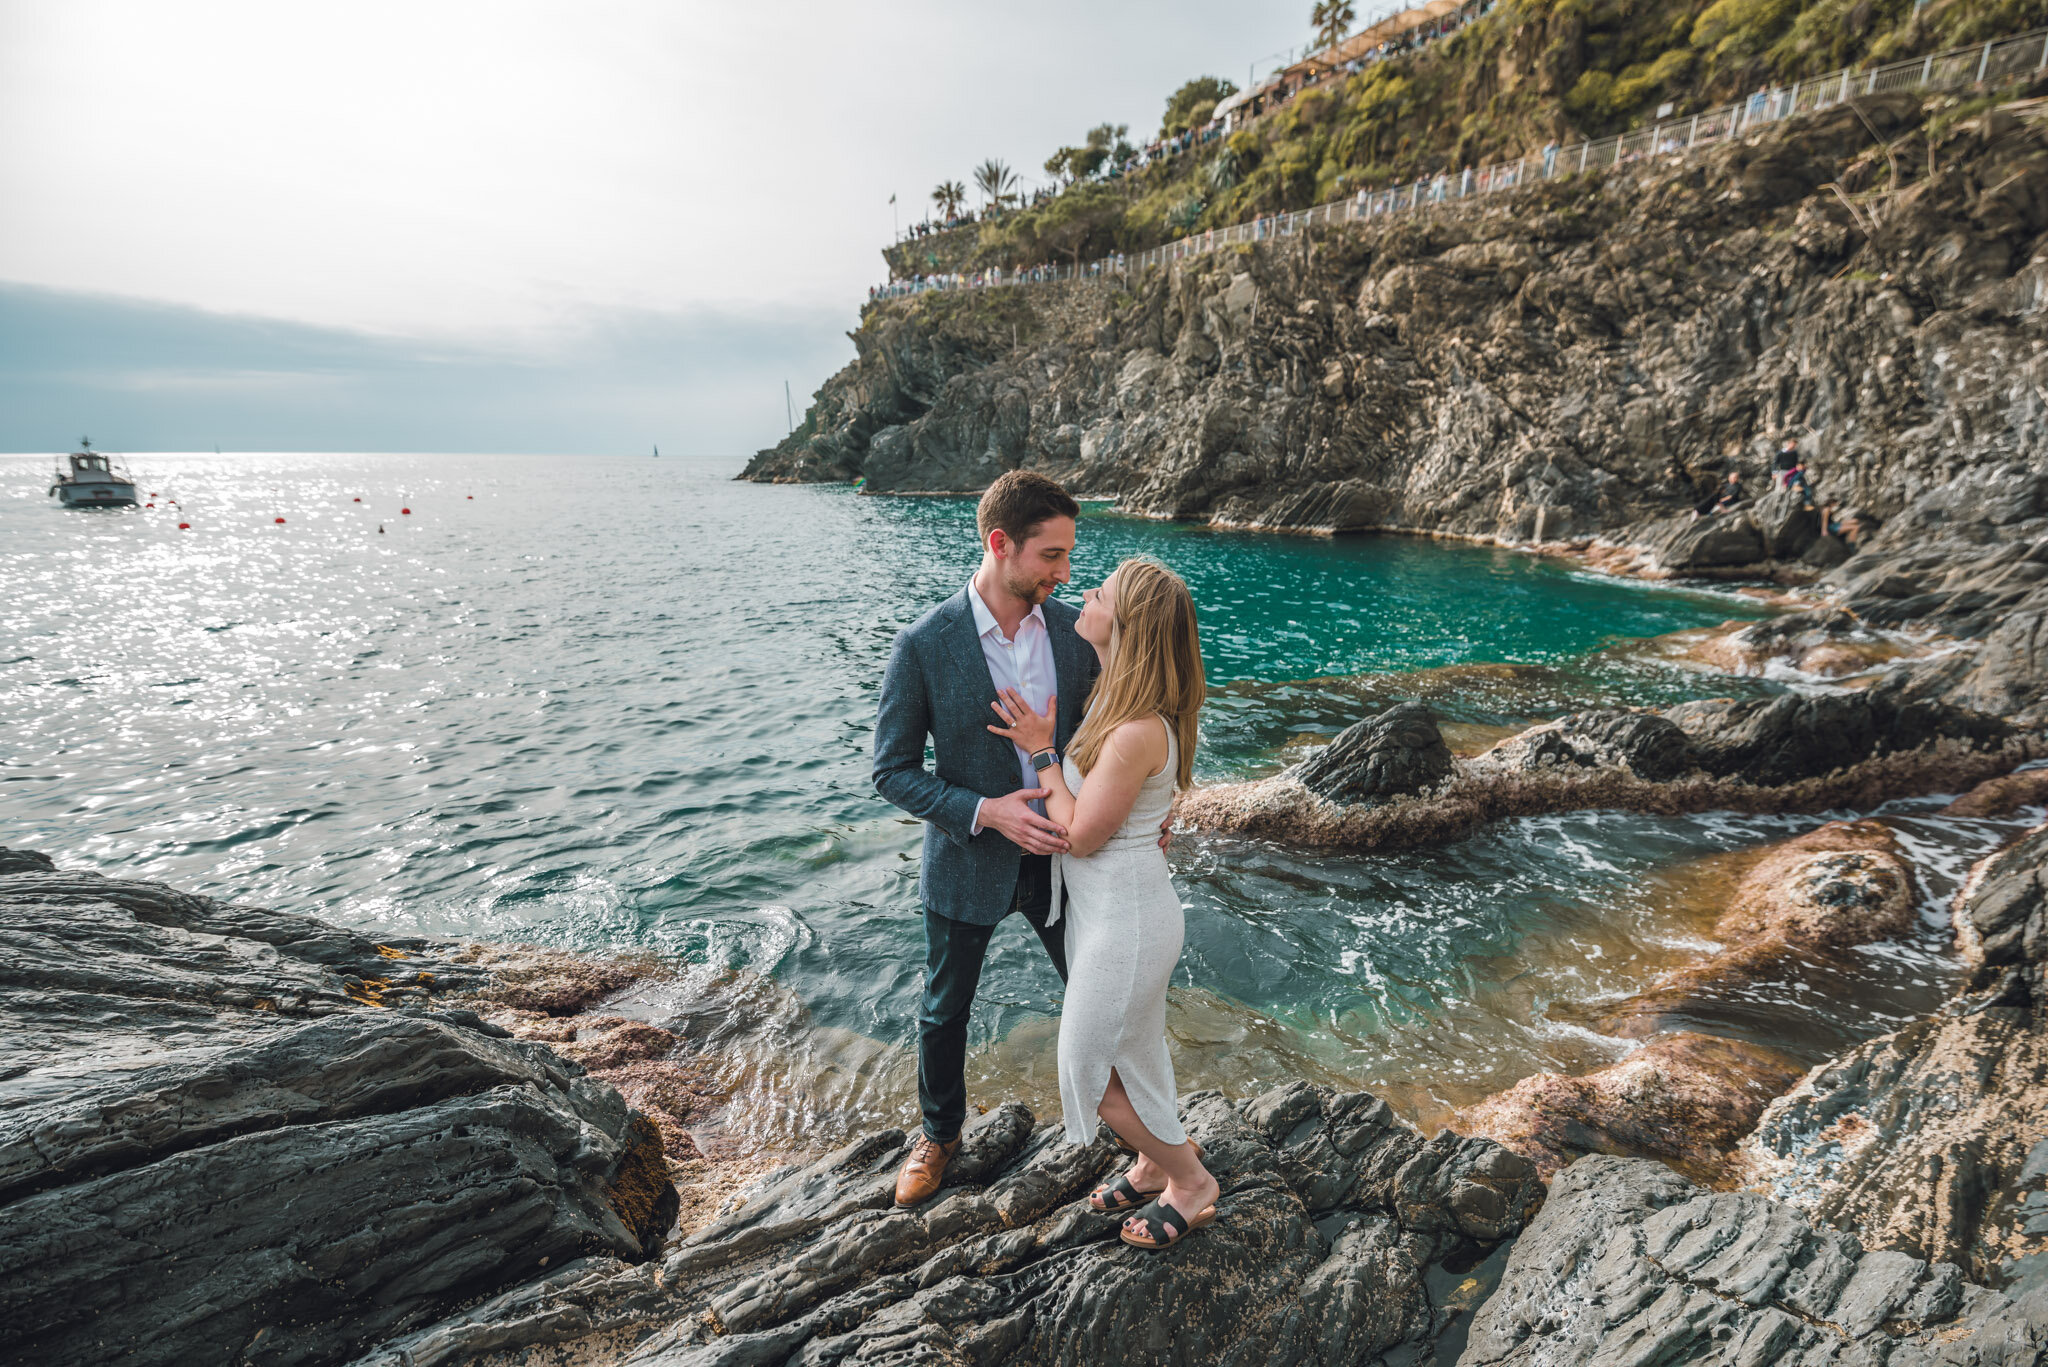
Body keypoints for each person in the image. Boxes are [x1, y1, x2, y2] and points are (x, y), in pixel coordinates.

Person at [872, 471, 1168, 1211]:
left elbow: (1134, 722)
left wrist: (1155, 806)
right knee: (945, 1010)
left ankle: (1152, 1145)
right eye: (1053, 555)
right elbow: (892, 771)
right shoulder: (923, 644)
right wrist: (985, 811)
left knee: (1098, 1000)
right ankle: (939, 1135)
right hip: (966, 861)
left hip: (1067, 865)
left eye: (1070, 557)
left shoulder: (1080, 632)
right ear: (1001, 545)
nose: (1066, 573)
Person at [986, 556, 1219, 1251]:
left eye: (1100, 591)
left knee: (1086, 1070)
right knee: (1135, 1056)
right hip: (1117, 916)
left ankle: (1190, 1180)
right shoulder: (1120, 710)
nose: (1085, 591)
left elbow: (1080, 836)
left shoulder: (1133, 729)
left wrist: (1043, 754)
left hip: (1129, 923)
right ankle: (1151, 1162)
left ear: (1129, 624)